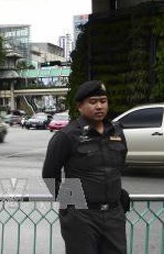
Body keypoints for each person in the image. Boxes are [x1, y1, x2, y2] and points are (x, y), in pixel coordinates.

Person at [42, 80, 128, 254]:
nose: (99, 106)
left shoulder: (117, 133)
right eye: (93, 102)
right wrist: (72, 205)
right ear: (80, 106)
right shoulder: (67, 136)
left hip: (113, 215)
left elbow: (118, 167)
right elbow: (49, 175)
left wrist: (117, 195)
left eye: (103, 101)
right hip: (81, 217)